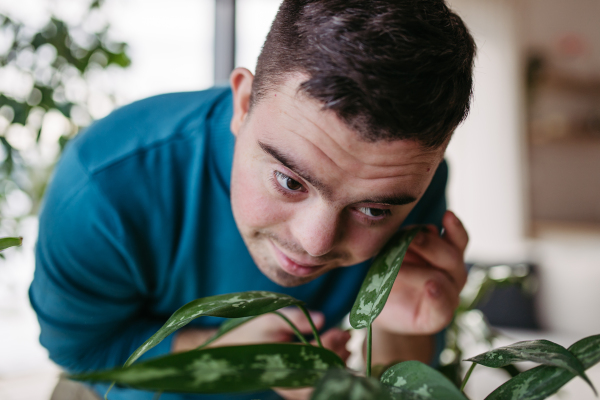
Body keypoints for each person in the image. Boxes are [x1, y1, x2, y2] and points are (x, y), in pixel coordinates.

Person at [30, 0, 475, 399]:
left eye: (374, 210)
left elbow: (389, 375)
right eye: (290, 182)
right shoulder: (104, 184)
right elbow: (83, 355)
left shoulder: (407, 180)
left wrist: (398, 327)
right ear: (243, 101)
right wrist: (225, 358)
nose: (316, 243)